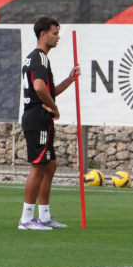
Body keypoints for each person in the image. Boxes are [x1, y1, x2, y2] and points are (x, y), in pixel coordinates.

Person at [19, 16, 80, 230]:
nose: (58, 37)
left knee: (50, 164)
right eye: (54, 33)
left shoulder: (36, 59)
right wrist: (54, 108)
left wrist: (69, 79)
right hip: (37, 117)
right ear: (42, 34)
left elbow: (48, 90)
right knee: (38, 166)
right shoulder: (40, 58)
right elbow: (38, 88)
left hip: (38, 116)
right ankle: (26, 219)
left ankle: (44, 215)